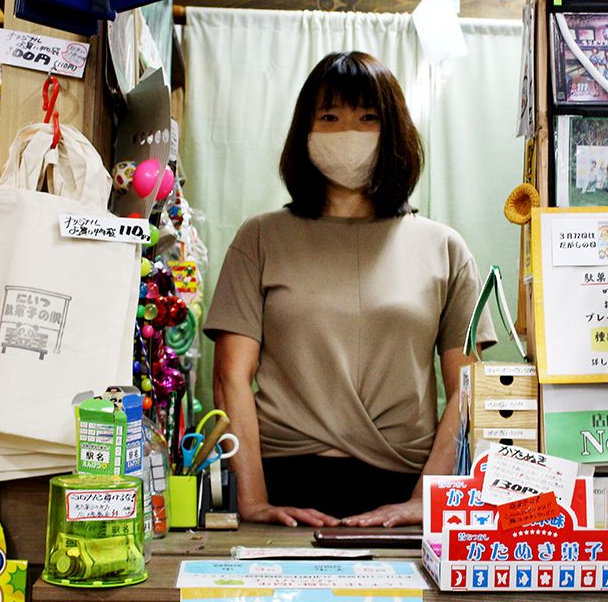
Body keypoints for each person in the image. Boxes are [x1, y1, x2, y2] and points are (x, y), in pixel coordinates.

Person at [206, 52, 496, 527]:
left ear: (396, 131)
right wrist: (252, 501)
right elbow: (230, 378)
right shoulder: (259, 238)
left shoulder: (445, 247)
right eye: (330, 117)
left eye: (368, 117)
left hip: (405, 487)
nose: (348, 133)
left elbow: (468, 389)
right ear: (305, 131)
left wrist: (427, 500)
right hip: (283, 485)